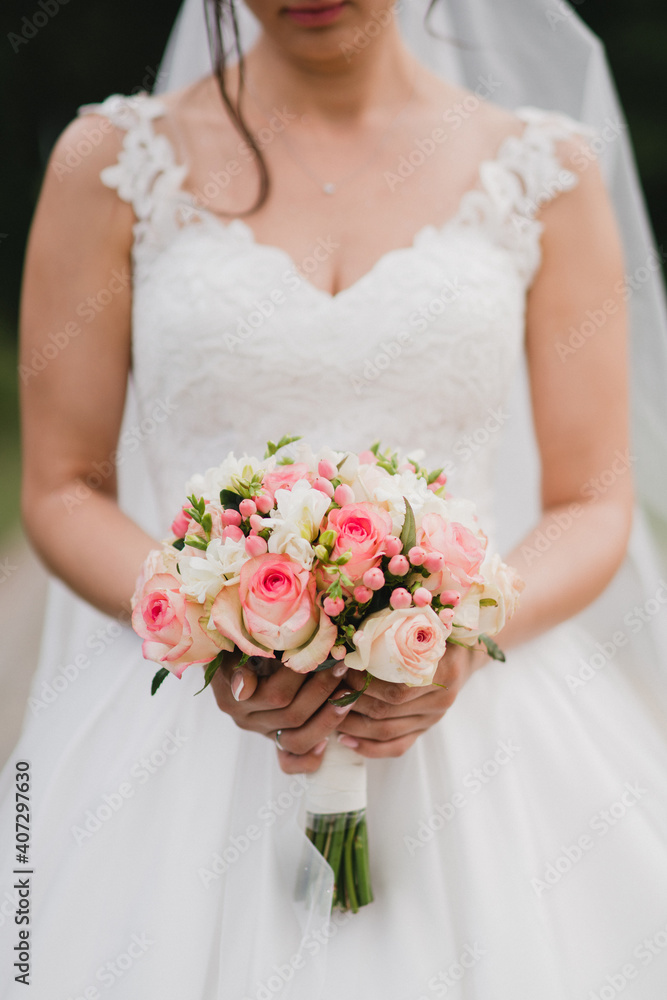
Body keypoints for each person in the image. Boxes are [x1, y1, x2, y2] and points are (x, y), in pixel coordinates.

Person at [2, 1, 667, 997]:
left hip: (484, 720)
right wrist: (212, 623)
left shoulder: (547, 172)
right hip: (183, 725)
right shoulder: (107, 165)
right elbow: (62, 487)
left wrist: (457, 633)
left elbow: (591, 500)